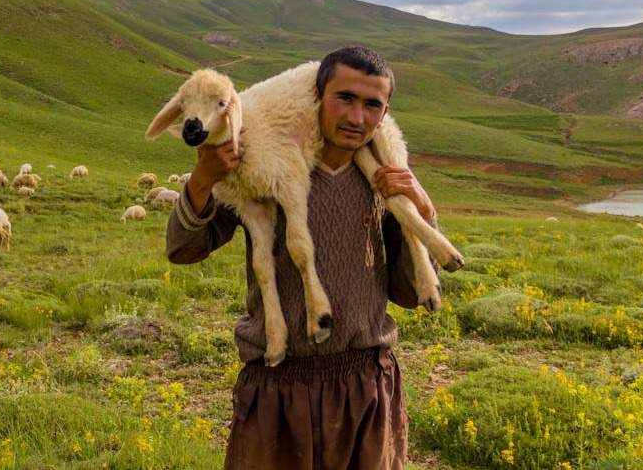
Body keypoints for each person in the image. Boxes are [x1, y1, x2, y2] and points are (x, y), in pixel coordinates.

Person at [165, 46, 439, 470]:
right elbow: (184, 249)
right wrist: (203, 177)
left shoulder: (383, 183)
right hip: (278, 385)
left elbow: (407, 292)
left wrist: (421, 209)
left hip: (363, 384)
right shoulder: (260, 165)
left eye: (372, 106)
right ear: (317, 97)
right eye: (344, 99)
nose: (356, 118)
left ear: (384, 114)